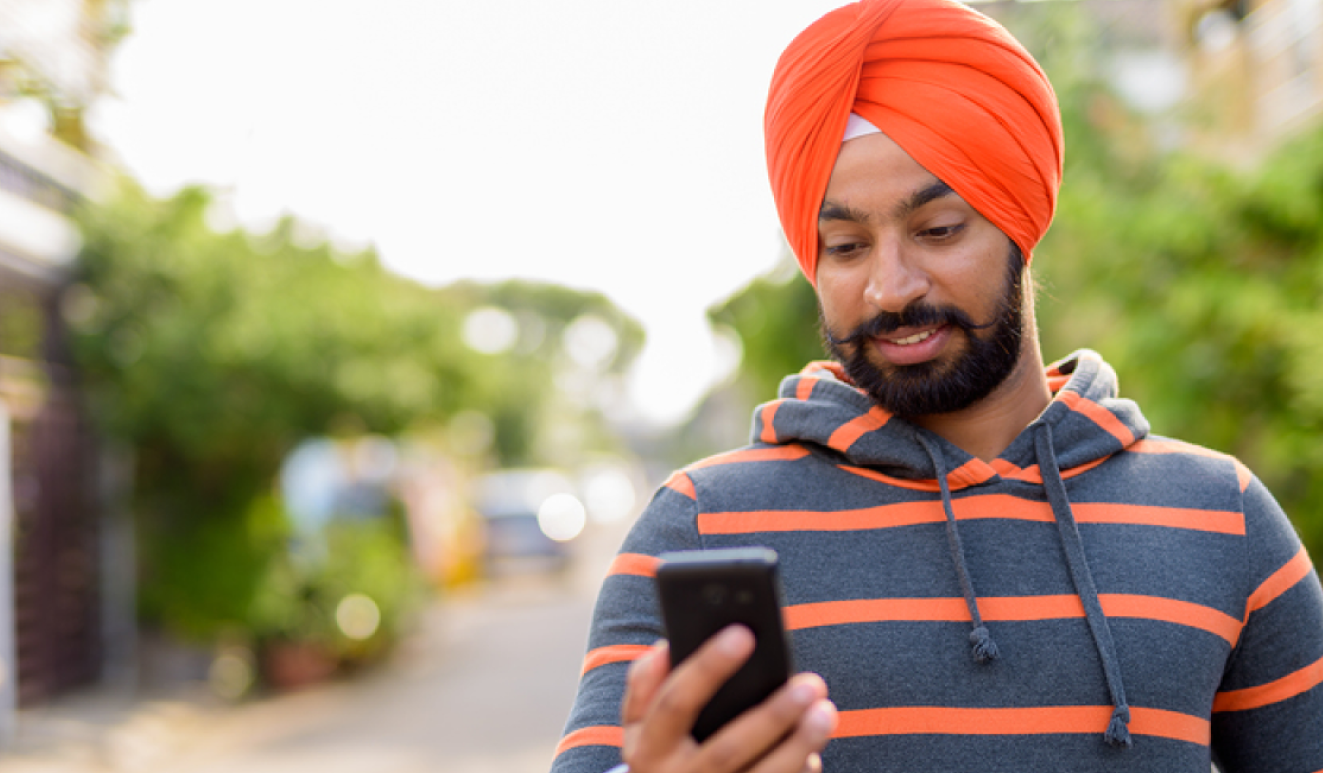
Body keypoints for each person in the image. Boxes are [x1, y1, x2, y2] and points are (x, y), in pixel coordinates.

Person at [549, 0, 1323, 771]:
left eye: (938, 229)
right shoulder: (703, 525)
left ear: (1020, 219)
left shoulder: (1222, 515)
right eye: (846, 245)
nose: (891, 286)